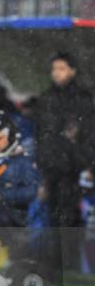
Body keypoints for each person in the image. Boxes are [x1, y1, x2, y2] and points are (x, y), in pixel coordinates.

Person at [34, 52, 95, 228]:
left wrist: (88, 163)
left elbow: (89, 133)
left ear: (72, 71)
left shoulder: (82, 99)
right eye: (54, 69)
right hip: (51, 167)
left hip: (74, 168)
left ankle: (70, 254)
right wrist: (41, 161)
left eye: (62, 68)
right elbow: (41, 132)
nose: (56, 73)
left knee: (71, 217)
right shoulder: (47, 98)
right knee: (52, 217)